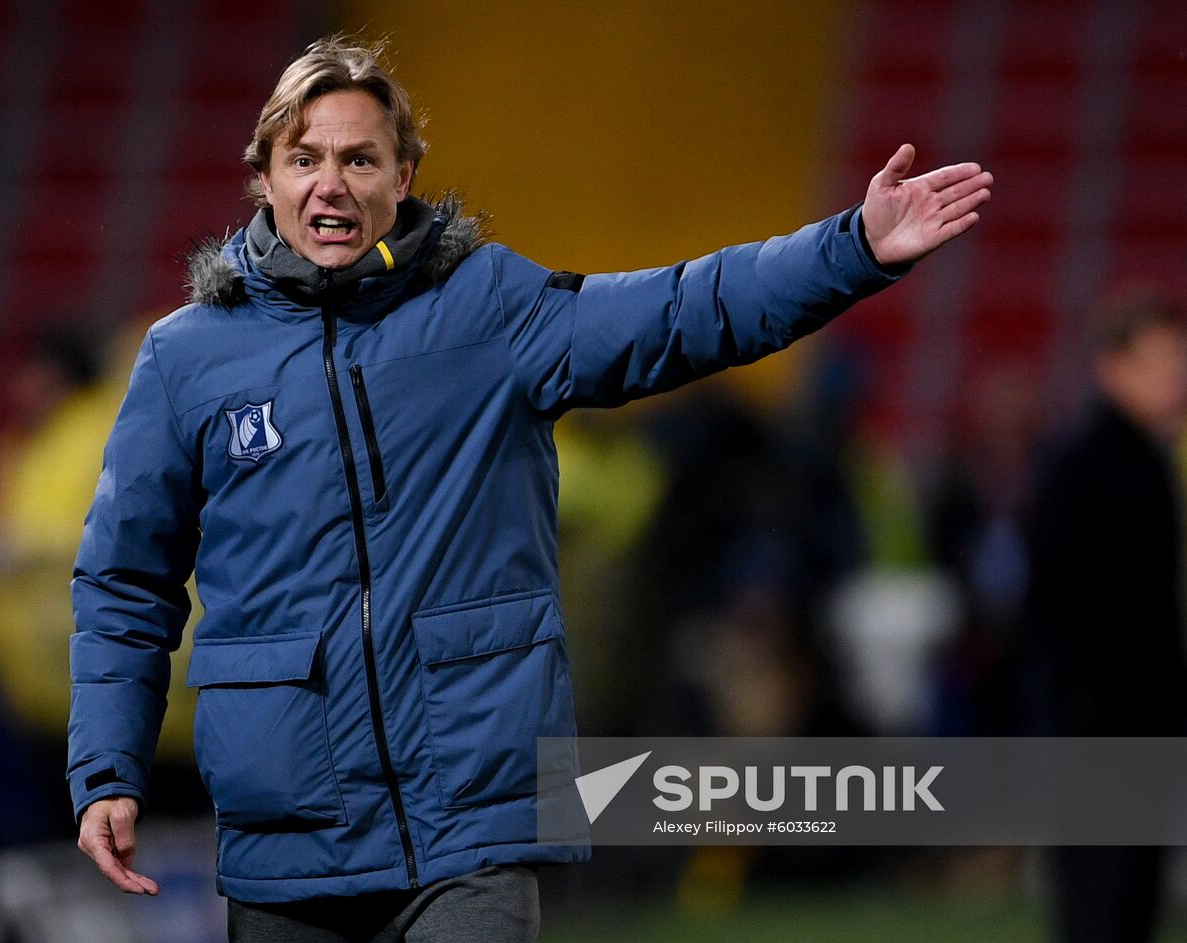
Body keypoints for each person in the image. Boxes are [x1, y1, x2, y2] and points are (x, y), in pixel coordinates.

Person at [67, 35, 992, 942]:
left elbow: (682, 310)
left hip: (472, 823)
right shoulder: (186, 358)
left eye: (360, 158)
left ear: (404, 175)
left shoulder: (490, 308)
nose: (331, 184)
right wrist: (108, 765)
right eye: (303, 158)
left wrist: (853, 247)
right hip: (288, 837)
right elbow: (123, 580)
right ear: (263, 178)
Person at [1024, 295, 1187, 943]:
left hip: (1134, 717)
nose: (1173, 379)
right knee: (1104, 898)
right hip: (1102, 724)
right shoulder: (1088, 463)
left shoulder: (1143, 456)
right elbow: (1054, 601)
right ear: (1111, 368)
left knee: (1133, 896)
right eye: (1157, 363)